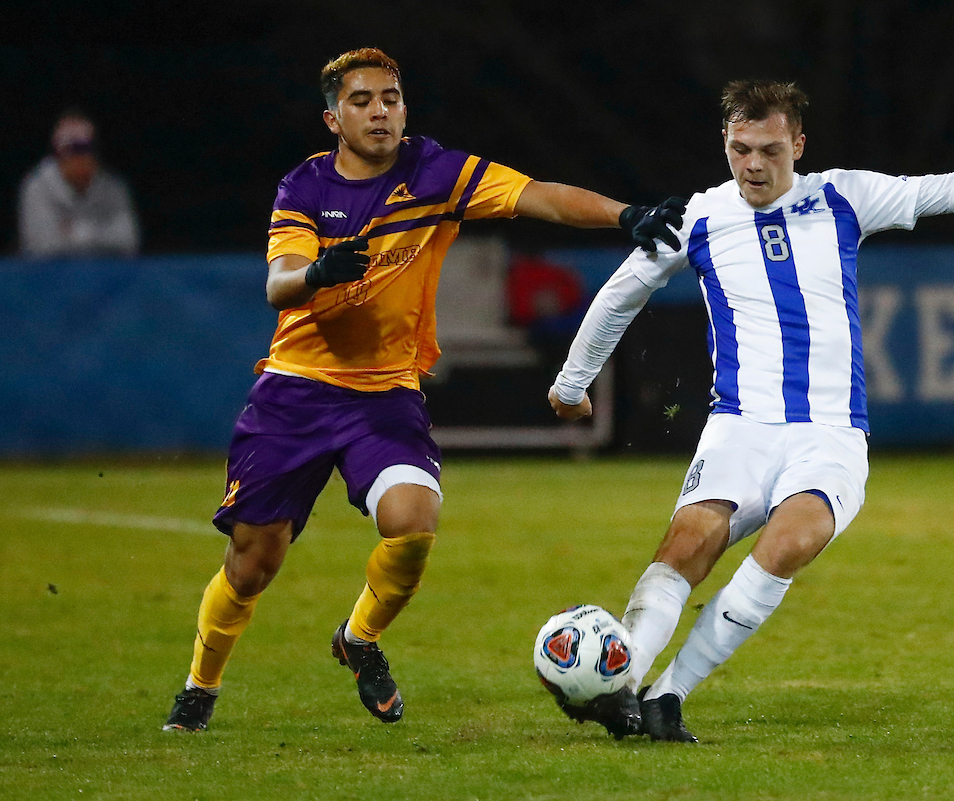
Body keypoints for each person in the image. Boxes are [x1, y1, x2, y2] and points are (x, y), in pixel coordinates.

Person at [549, 80, 954, 742]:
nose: (753, 164)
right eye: (740, 148)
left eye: (770, 149)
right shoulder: (698, 218)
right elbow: (619, 294)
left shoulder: (842, 196)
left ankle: (668, 693)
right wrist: (572, 384)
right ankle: (621, 686)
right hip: (738, 427)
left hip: (829, 433)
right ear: (725, 142)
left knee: (791, 543)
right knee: (685, 547)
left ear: (797, 145)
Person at [162, 47, 684, 732]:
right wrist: (318, 273)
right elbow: (277, 283)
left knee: (413, 522)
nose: (380, 111)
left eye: (391, 97)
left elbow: (536, 195)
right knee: (254, 563)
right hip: (295, 393)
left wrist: (625, 216)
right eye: (362, 100)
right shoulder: (306, 189)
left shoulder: (434, 171)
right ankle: (201, 685)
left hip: (384, 396)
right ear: (332, 118)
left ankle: (359, 638)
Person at [18, 110, 140, 258]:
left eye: (86, 148)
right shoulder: (37, 187)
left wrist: (78, 232)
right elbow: (41, 247)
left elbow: (128, 240)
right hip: (52, 277)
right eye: (74, 149)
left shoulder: (113, 187)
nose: (81, 157)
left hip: (103, 277)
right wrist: (101, 235)